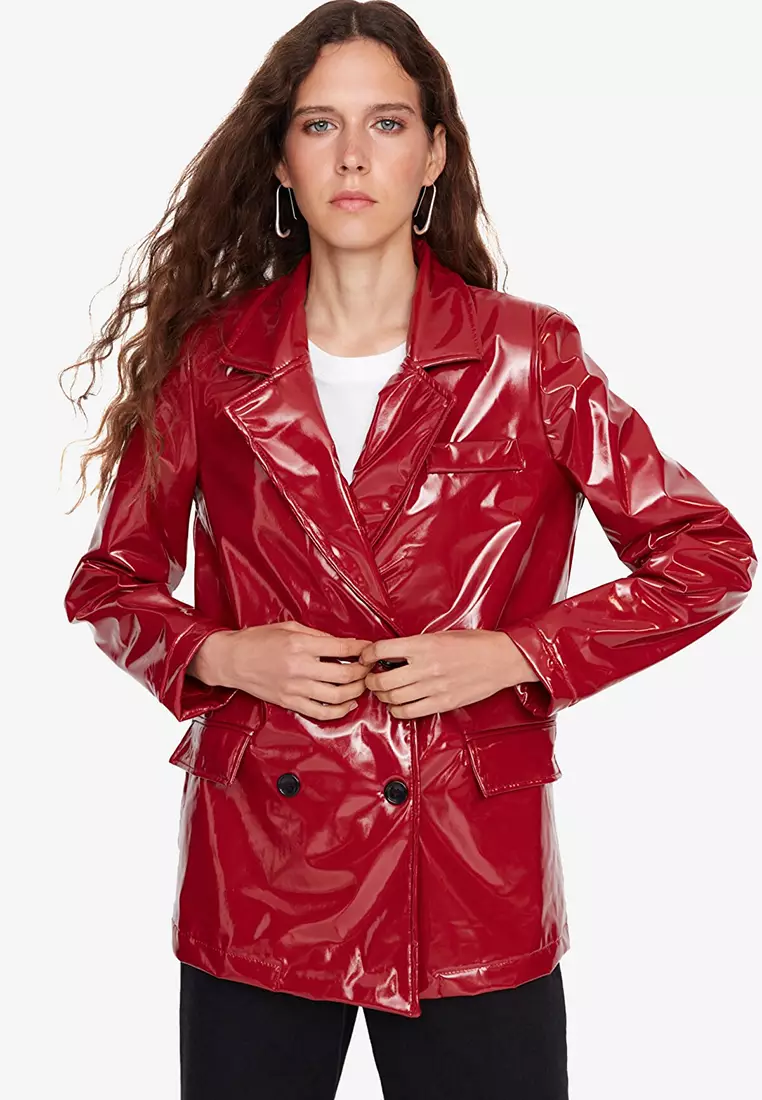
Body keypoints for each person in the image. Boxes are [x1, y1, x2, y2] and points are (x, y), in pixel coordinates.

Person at [60, 3, 756, 1098]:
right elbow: (111, 583)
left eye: (386, 123)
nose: (352, 155)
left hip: (469, 872)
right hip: (263, 871)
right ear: (281, 159)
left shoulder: (530, 356)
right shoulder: (211, 361)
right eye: (320, 125)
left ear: (433, 153)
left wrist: (518, 652)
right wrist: (224, 653)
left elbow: (707, 555)